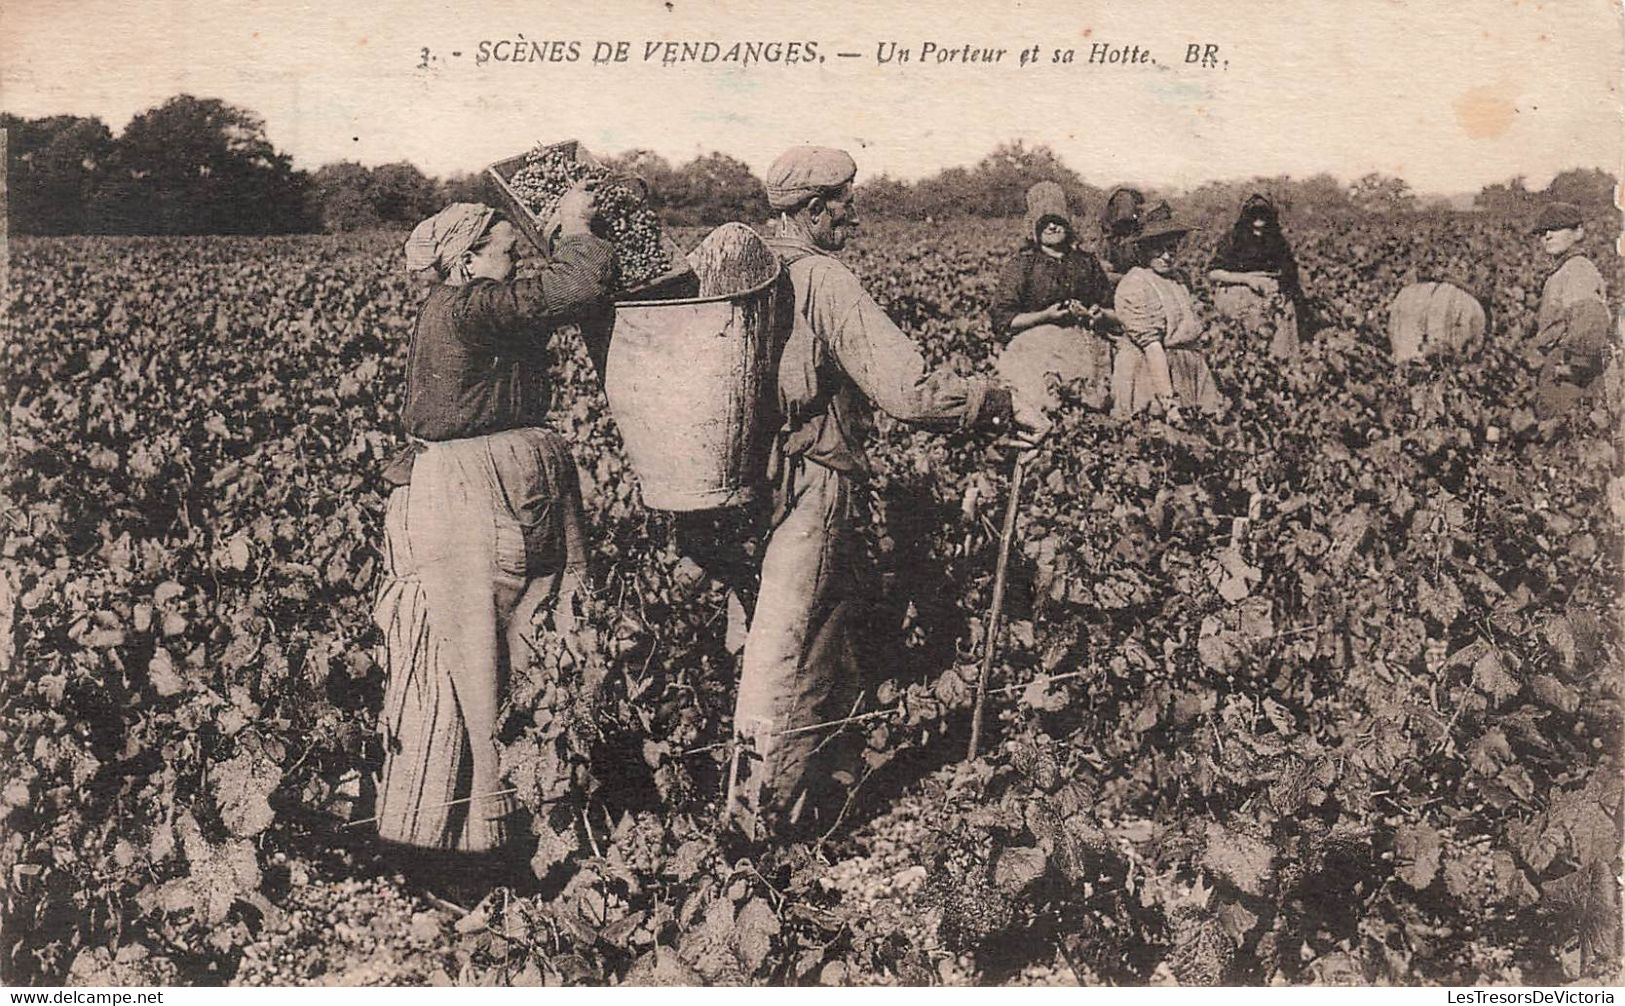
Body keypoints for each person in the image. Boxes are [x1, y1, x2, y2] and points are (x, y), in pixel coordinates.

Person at [729, 146, 1047, 837]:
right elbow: (906, 391)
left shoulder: (737, 270)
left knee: (792, 636)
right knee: (792, 653)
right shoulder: (820, 278)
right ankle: (760, 827)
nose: (852, 212)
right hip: (811, 480)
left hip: (743, 490)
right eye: (844, 201)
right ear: (815, 211)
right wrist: (991, 403)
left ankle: (817, 802)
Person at [372, 192, 610, 872]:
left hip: (488, 483)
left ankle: (481, 831)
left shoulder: (473, 307)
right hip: (473, 494)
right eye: (508, 252)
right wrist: (578, 230)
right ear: (468, 260)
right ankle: (477, 841)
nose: (516, 262)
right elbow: (572, 287)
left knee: (495, 657)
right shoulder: (473, 305)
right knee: (480, 659)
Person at [989, 181, 1115, 409]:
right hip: (1037, 342)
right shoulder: (1022, 265)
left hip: (1084, 339)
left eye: (1058, 221)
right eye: (1045, 223)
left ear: (1068, 224)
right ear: (1034, 229)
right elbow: (1004, 320)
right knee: (1045, 397)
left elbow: (1109, 306)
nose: (1052, 227)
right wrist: (1045, 315)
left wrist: (1097, 314)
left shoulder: (1086, 262)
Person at [1110, 214, 1220, 419]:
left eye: (1171, 248)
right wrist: (1169, 402)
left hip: (1186, 368)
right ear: (1142, 249)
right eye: (1158, 249)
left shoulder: (1178, 279)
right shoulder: (1136, 283)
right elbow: (1152, 346)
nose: (1167, 256)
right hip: (1153, 372)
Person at [1527, 201, 1613, 420]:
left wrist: (1568, 370)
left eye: (1556, 228)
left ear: (1578, 232)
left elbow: (1590, 323)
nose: (1547, 236)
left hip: (1570, 384)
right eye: (1542, 232)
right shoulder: (1567, 270)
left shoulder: (1576, 270)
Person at [1206, 193, 1306, 358]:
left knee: (1279, 353)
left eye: (1264, 214)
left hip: (1273, 299)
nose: (1259, 219)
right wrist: (1247, 279)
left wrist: (1282, 292)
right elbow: (1213, 272)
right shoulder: (1233, 238)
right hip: (1241, 298)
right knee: (1246, 349)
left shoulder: (1278, 240)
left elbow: (1290, 274)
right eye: (1254, 214)